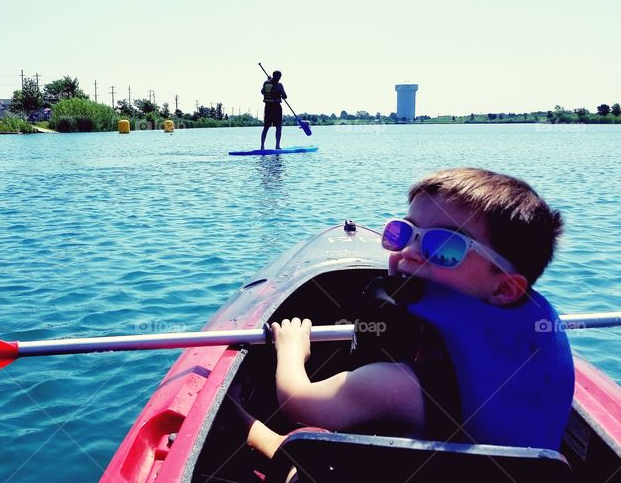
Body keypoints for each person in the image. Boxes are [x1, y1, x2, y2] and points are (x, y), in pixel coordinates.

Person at [237, 167, 574, 465]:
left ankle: (248, 426)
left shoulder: (393, 384)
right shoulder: (533, 346)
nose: (409, 252)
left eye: (444, 246)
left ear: (504, 288)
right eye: (403, 233)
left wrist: (292, 349)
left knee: (305, 451)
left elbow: (298, 402)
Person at [260, 71, 287, 150]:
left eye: (280, 77)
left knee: (269, 127)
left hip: (269, 107)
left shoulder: (266, 83)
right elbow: (285, 96)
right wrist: (281, 94)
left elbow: (262, 92)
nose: (279, 78)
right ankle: (274, 146)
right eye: (279, 77)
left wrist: (269, 81)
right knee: (275, 127)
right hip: (275, 108)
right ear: (275, 76)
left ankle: (266, 146)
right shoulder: (279, 85)